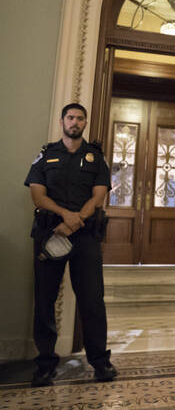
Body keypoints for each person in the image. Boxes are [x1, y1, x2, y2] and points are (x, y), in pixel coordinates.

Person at [24, 103, 117, 386]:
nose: (74, 122)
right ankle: (46, 364)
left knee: (91, 300)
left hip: (85, 236)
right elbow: (38, 196)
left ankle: (100, 362)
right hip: (50, 232)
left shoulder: (95, 158)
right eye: (70, 117)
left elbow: (98, 195)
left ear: (85, 123)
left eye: (79, 118)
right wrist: (66, 217)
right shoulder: (46, 155)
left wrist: (75, 221)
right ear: (62, 121)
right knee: (45, 300)